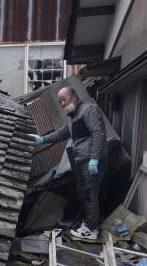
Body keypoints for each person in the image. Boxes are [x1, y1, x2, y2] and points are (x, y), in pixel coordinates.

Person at [29, 86, 108, 241]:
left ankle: (91, 229)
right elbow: (62, 134)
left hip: (91, 159)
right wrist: (42, 139)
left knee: (90, 192)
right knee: (83, 192)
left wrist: (95, 158)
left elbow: (98, 133)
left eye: (63, 99)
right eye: (59, 101)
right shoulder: (71, 116)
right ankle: (89, 223)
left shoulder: (89, 110)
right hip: (81, 159)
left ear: (74, 97)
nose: (62, 103)